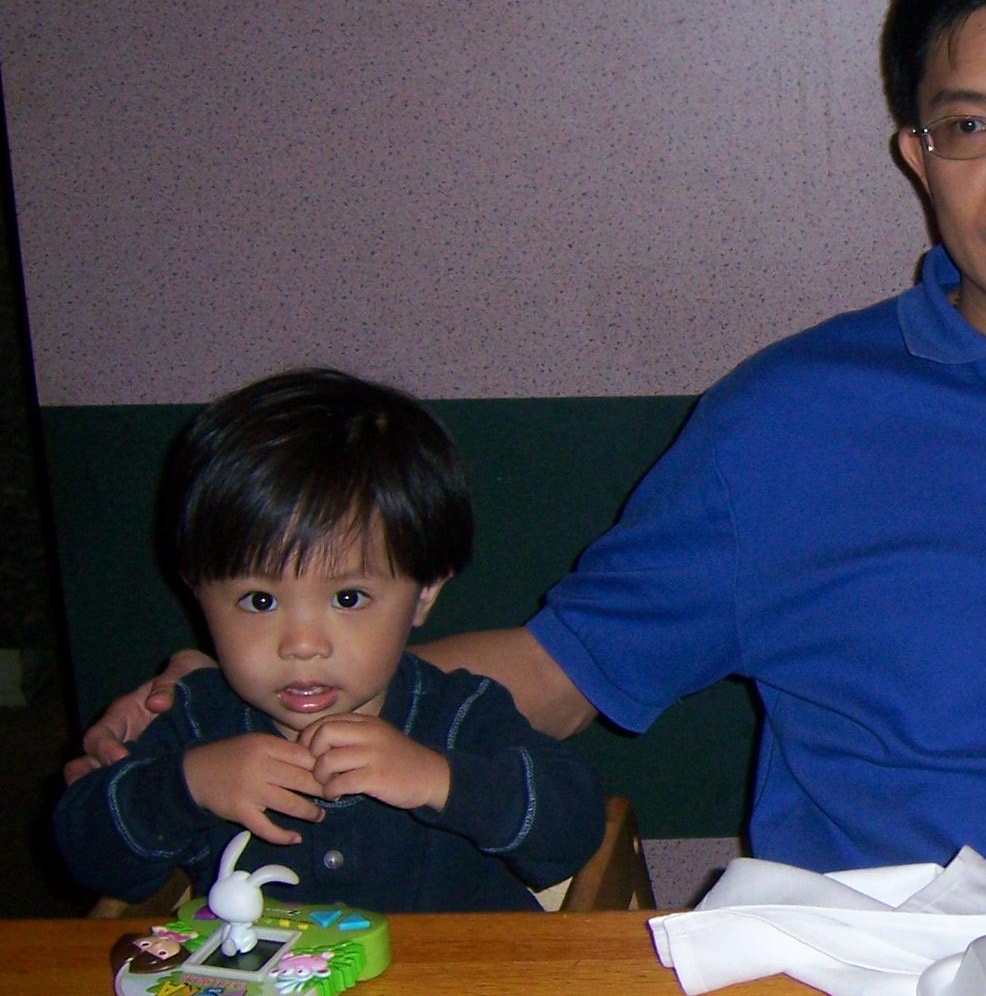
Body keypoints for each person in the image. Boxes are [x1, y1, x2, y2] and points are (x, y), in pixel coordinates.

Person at [80, 0, 986, 899]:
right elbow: (562, 670)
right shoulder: (788, 421)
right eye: (969, 128)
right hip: (888, 964)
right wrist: (256, 691)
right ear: (917, 157)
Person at [54, 369, 605, 912]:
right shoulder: (194, 724)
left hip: (460, 972)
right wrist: (187, 786)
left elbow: (573, 829)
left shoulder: (460, 712)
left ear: (423, 595)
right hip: (259, 974)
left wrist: (437, 779)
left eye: (347, 597)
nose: (302, 644)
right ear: (198, 593)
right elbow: (89, 853)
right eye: (259, 601)